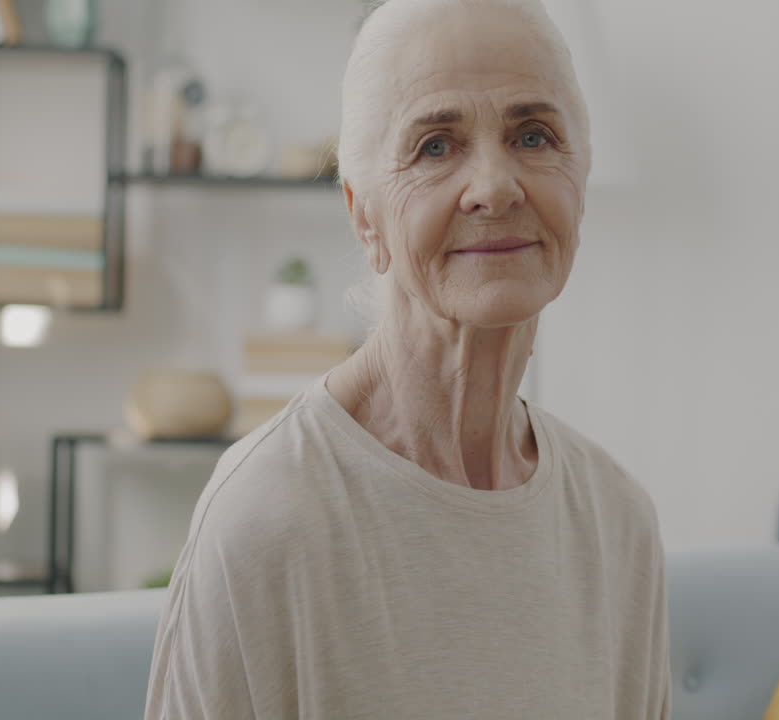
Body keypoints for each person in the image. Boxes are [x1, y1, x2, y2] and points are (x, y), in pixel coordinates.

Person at [142, 0, 672, 717]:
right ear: (364, 217)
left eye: (534, 135)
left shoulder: (619, 522)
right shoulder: (265, 517)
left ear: (579, 182)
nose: (494, 187)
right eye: (435, 147)